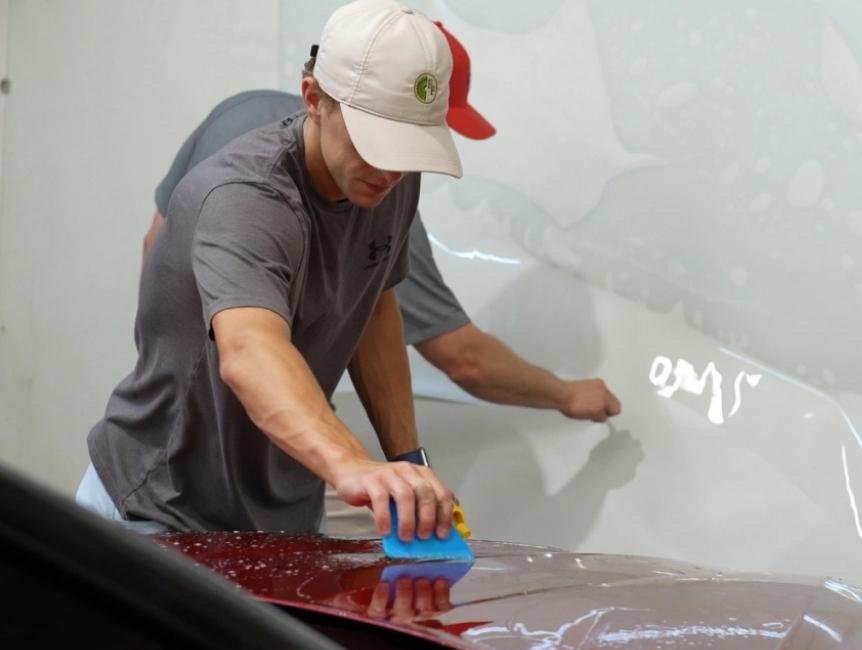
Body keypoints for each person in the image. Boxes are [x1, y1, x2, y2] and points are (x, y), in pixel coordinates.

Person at [80, 0, 465, 542]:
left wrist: (406, 457)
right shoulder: (247, 198)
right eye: (374, 142)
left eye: (408, 149)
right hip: (159, 509)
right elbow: (249, 351)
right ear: (314, 100)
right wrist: (352, 465)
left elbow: (374, 308)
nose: (392, 170)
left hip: (282, 513)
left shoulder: (389, 183)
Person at [145, 26, 621, 427]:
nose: (396, 166)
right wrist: (565, 394)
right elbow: (463, 357)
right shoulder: (362, 186)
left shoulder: (241, 113)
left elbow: (157, 246)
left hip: (164, 417)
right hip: (250, 441)